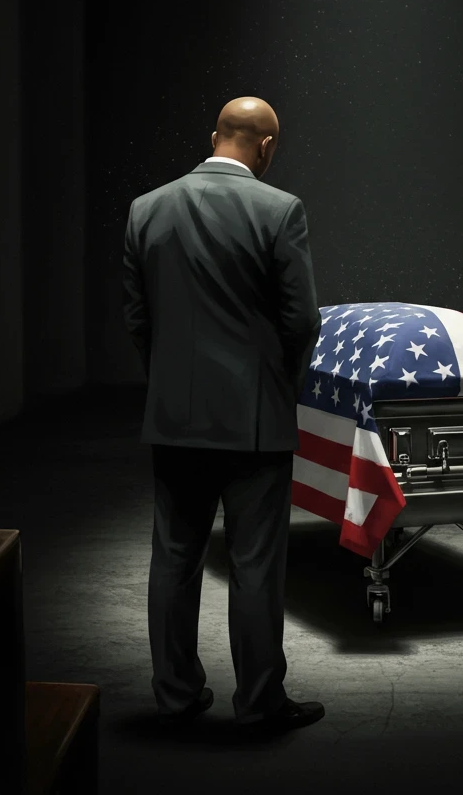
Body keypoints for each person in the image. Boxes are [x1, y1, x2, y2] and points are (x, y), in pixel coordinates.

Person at [123, 96, 325, 732]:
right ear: (266, 148)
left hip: (175, 418)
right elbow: (303, 321)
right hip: (253, 422)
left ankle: (176, 696)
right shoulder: (280, 210)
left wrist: (169, 386)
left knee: (173, 557)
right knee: (255, 563)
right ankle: (259, 702)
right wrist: (275, 387)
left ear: (214, 136)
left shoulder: (146, 209)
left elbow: (138, 318)